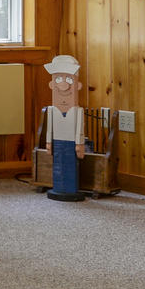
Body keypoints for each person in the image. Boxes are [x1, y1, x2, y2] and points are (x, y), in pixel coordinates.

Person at [44, 54, 88, 202]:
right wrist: (49, 143)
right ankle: (58, 188)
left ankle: (69, 189)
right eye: (58, 79)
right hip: (57, 142)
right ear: (52, 84)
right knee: (58, 166)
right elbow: (49, 128)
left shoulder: (78, 111)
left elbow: (79, 130)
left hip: (71, 144)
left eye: (69, 79)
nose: (63, 85)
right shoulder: (51, 110)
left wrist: (79, 143)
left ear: (77, 85)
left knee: (69, 167)